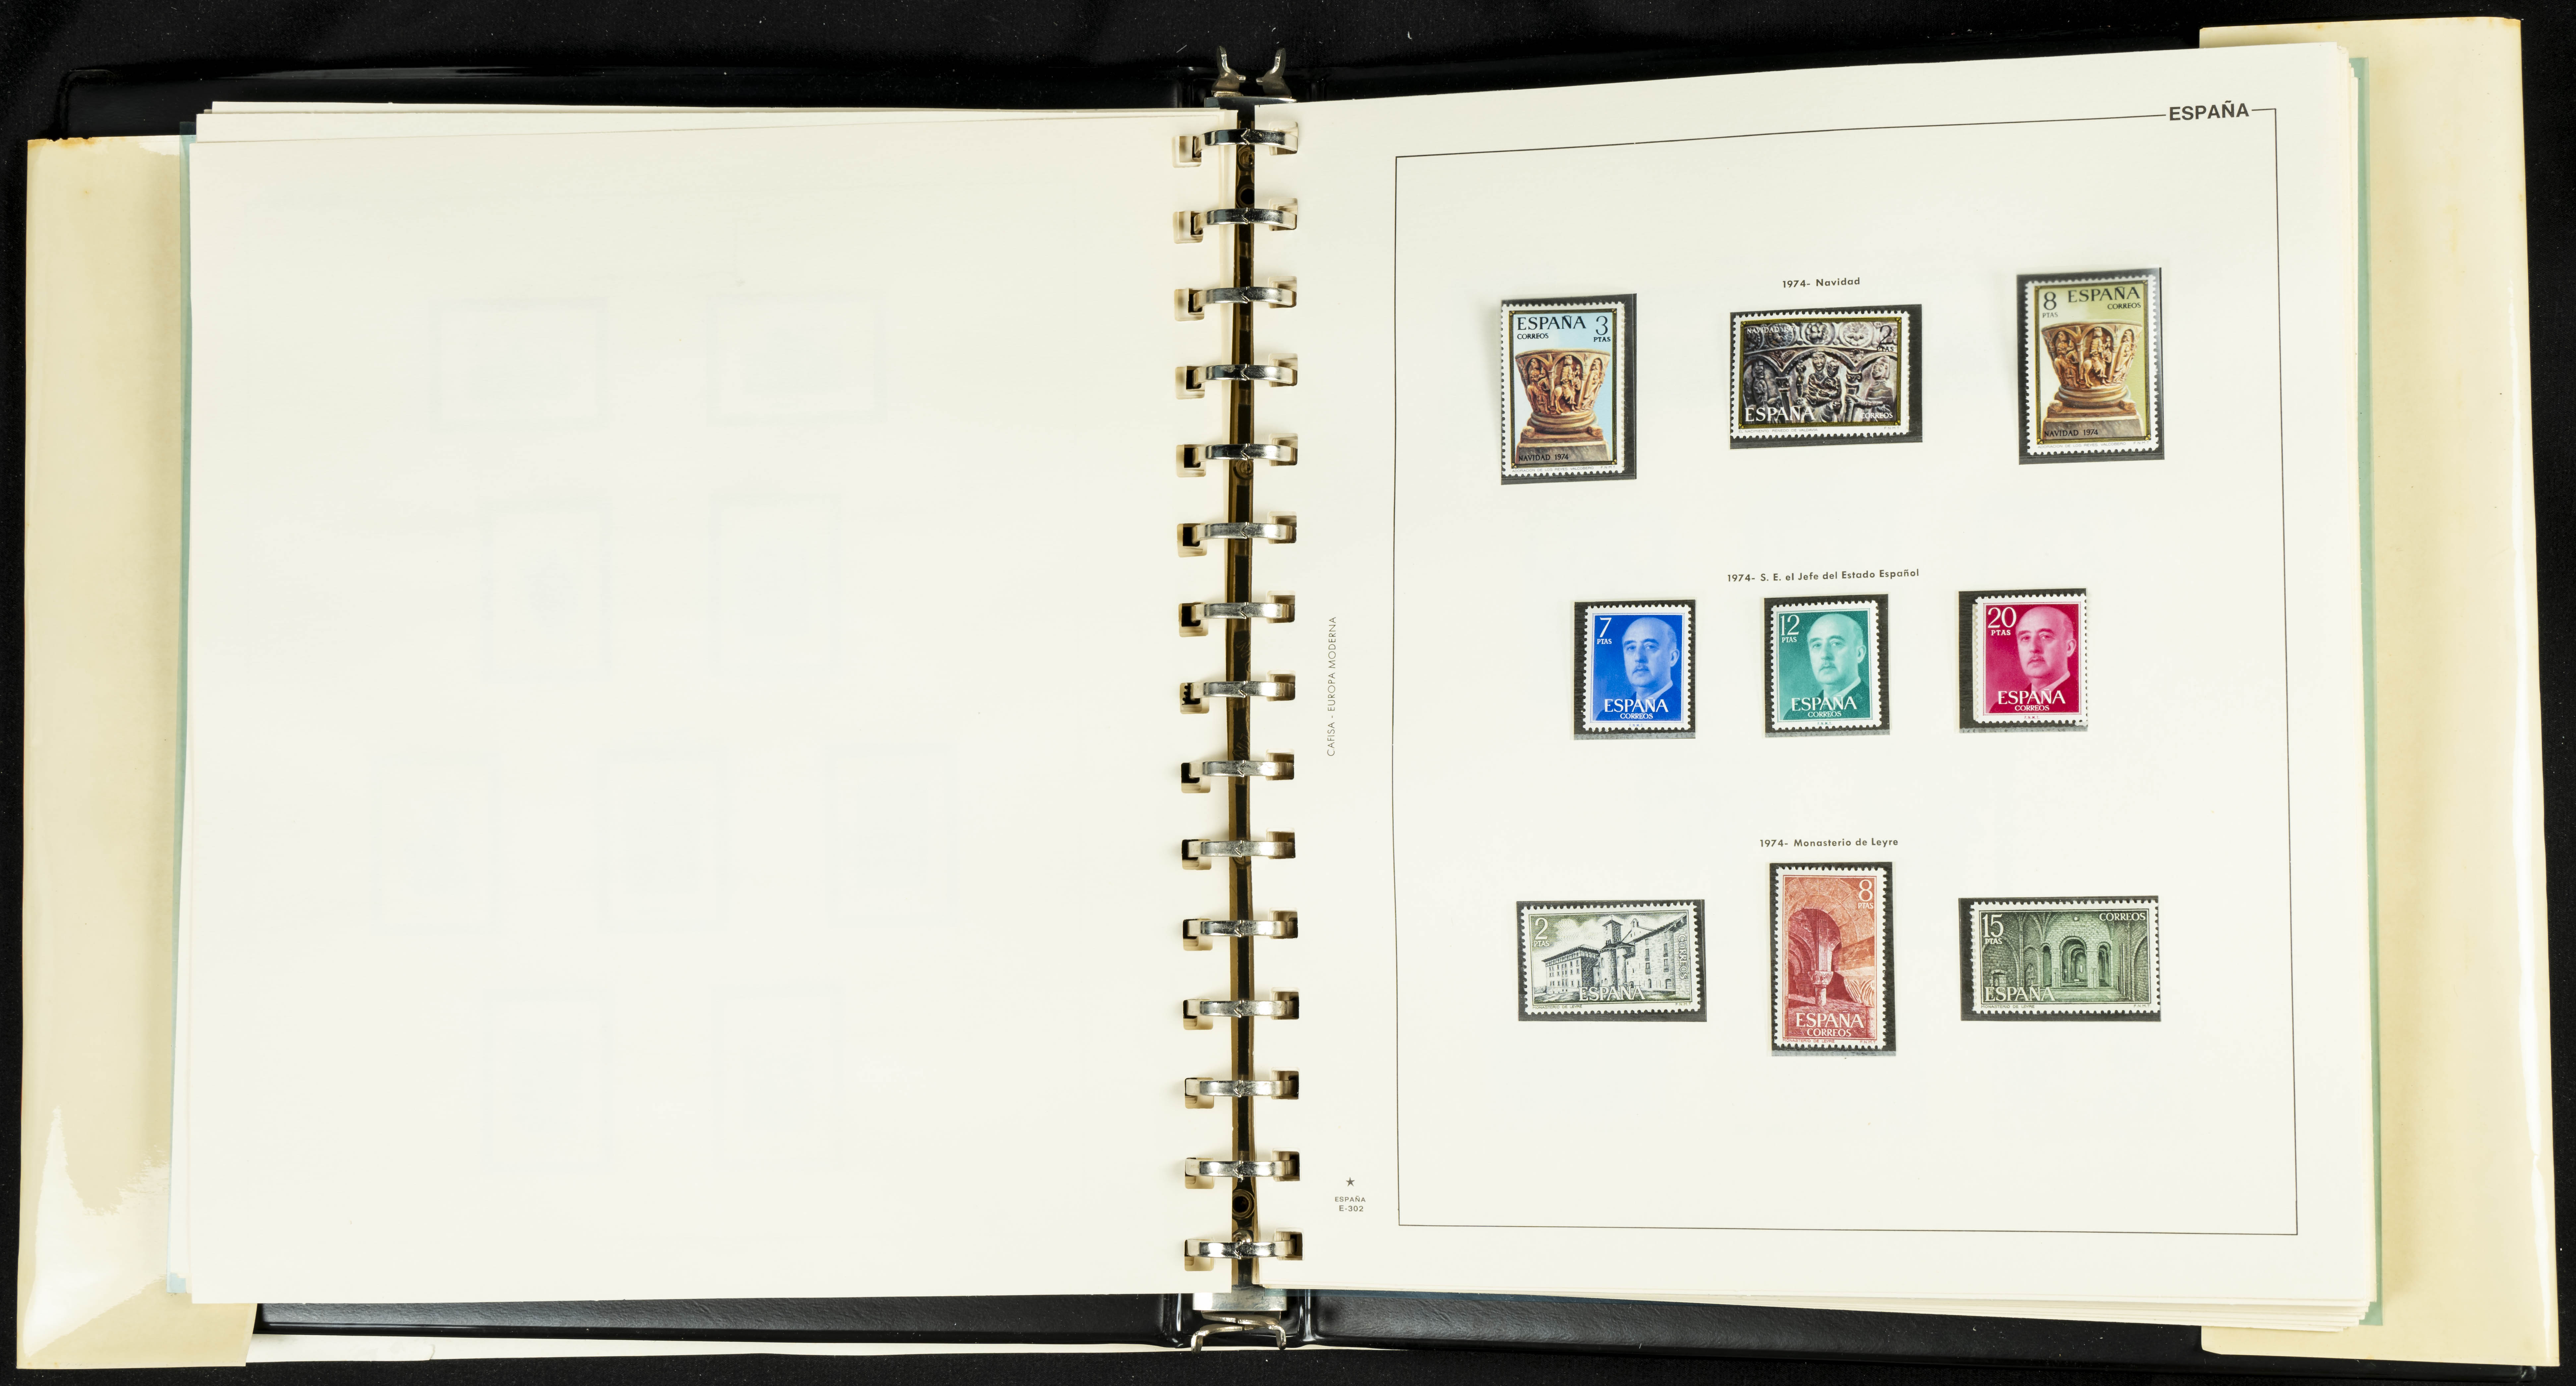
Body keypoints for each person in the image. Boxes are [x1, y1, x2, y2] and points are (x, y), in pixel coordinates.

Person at [1603, 615, 1679, 719]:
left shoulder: (1684, 710)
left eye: (1650, 647)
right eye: (1631, 648)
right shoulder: (1608, 715)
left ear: (1672, 658)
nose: (1639, 657)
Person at [2007, 605, 2077, 706]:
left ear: (2069, 648)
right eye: (2026, 638)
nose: (2034, 648)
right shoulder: (2004, 707)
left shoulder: (2084, 700)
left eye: (2046, 637)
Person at [1804, 610, 1867, 711]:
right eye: (1817, 645)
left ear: (1859, 654)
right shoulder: (1797, 713)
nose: (1825, 655)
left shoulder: (1874, 705)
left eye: (1836, 644)